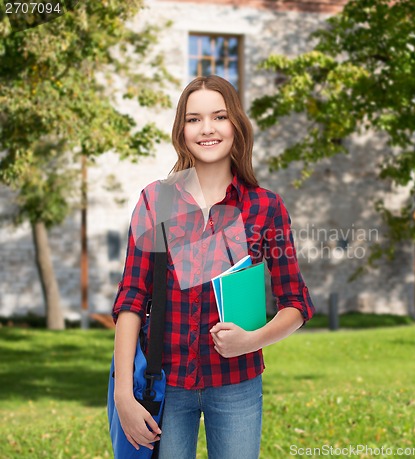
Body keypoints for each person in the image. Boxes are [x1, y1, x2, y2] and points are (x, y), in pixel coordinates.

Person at [112, 75, 315, 459]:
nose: (207, 129)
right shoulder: (156, 200)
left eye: (219, 116)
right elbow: (131, 299)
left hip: (237, 384)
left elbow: (296, 303)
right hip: (164, 385)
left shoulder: (265, 207)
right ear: (181, 130)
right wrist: (124, 392)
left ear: (236, 125)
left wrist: (251, 341)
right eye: (194, 119)